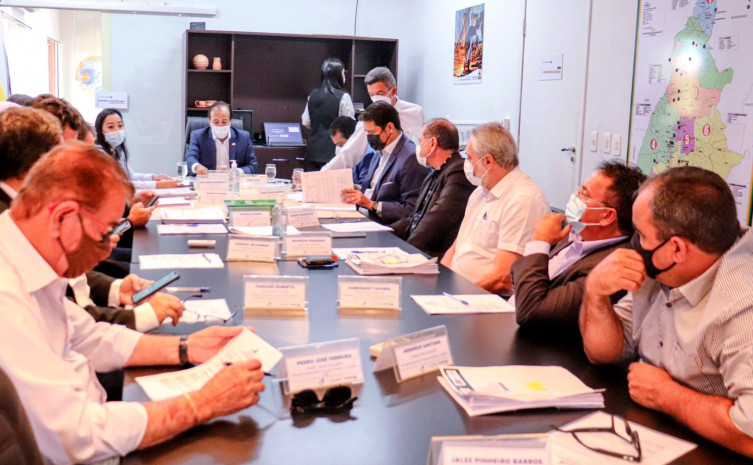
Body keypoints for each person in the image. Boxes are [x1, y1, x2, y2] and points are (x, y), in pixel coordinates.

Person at [0, 141, 266, 464]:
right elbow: (76, 436)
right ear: (63, 218)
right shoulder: (7, 299)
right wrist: (202, 403)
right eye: (106, 234)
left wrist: (187, 347)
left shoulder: (27, 257)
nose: (110, 246)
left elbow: (88, 336)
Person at [580, 166, 753, 457]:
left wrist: (667, 396)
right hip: (654, 434)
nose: (634, 245)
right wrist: (595, 293)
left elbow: (749, 433)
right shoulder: (662, 270)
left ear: (677, 249)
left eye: (640, 235)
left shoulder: (741, 307)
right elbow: (605, 352)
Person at [0, 106, 184, 333]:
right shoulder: (14, 220)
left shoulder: (30, 205)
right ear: (38, 163)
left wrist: (115, 289)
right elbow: (66, 321)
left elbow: (72, 288)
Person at [510, 161, 646, 327]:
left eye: (584, 195)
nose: (575, 197)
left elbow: (531, 312)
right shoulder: (577, 233)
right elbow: (516, 274)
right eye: (580, 190)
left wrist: (539, 241)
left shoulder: (611, 267)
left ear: (606, 216)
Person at [441, 122, 549, 295]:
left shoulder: (523, 200)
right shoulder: (480, 192)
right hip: (456, 291)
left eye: (469, 157)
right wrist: (439, 283)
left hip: (486, 298)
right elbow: (457, 247)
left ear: (488, 161)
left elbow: (503, 278)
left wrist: (456, 297)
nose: (466, 163)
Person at [390, 118, 474, 259]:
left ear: (432, 143)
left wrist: (406, 253)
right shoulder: (433, 174)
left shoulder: (458, 172)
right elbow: (416, 217)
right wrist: (385, 232)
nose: (418, 146)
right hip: (419, 249)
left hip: (435, 255)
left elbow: (437, 218)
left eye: (420, 141)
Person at [340, 101, 430, 224]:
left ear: (390, 128)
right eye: (367, 133)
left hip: (383, 224)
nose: (369, 137)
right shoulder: (380, 150)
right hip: (362, 217)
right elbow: (376, 188)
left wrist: (371, 204)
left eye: (372, 132)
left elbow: (411, 209)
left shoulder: (410, 157)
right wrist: (358, 189)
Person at [321, 66, 425, 171]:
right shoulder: (368, 120)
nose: (375, 99)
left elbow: (423, 144)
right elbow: (348, 154)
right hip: (385, 173)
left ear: (393, 91)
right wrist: (322, 173)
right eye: (371, 95)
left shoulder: (415, 112)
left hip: (412, 169)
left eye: (380, 94)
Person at [95, 108, 179, 189]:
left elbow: (131, 176)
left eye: (120, 125)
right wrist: (157, 185)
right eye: (110, 127)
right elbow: (120, 184)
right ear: (100, 130)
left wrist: (154, 177)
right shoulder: (98, 154)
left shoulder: (118, 150)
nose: (117, 130)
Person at [302, 57, 355, 171]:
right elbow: (349, 125)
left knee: (313, 181)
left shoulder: (313, 95)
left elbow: (306, 121)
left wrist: (319, 127)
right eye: (343, 73)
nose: (345, 76)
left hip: (313, 151)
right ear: (337, 75)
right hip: (334, 152)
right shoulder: (343, 96)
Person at [185, 101, 259, 175]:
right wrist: (197, 167)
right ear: (209, 122)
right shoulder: (198, 136)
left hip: (233, 180)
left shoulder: (243, 137)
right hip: (209, 180)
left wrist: (235, 172)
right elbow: (190, 158)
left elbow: (254, 166)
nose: (220, 125)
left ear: (230, 121)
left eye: (224, 122)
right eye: (216, 122)